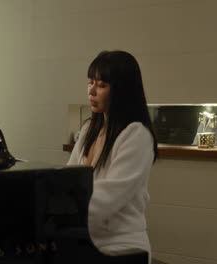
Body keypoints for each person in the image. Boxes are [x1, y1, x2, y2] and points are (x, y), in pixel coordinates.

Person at [67, 50, 158, 262]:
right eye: (90, 82)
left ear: (122, 91)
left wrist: (58, 213)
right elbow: (68, 179)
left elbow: (107, 198)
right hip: (83, 236)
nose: (91, 91)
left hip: (121, 244)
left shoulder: (136, 135)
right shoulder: (89, 129)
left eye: (101, 85)